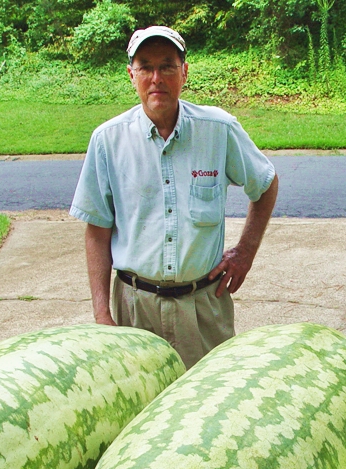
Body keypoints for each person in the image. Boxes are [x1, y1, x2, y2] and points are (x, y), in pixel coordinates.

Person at [69, 25, 278, 368]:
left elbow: (265, 184)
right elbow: (97, 230)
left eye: (167, 66)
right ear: (131, 75)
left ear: (184, 72)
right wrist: (102, 314)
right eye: (145, 67)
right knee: (140, 399)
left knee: (211, 395)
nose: (157, 78)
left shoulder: (218, 130)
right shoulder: (108, 140)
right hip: (135, 310)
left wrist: (245, 252)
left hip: (203, 309)